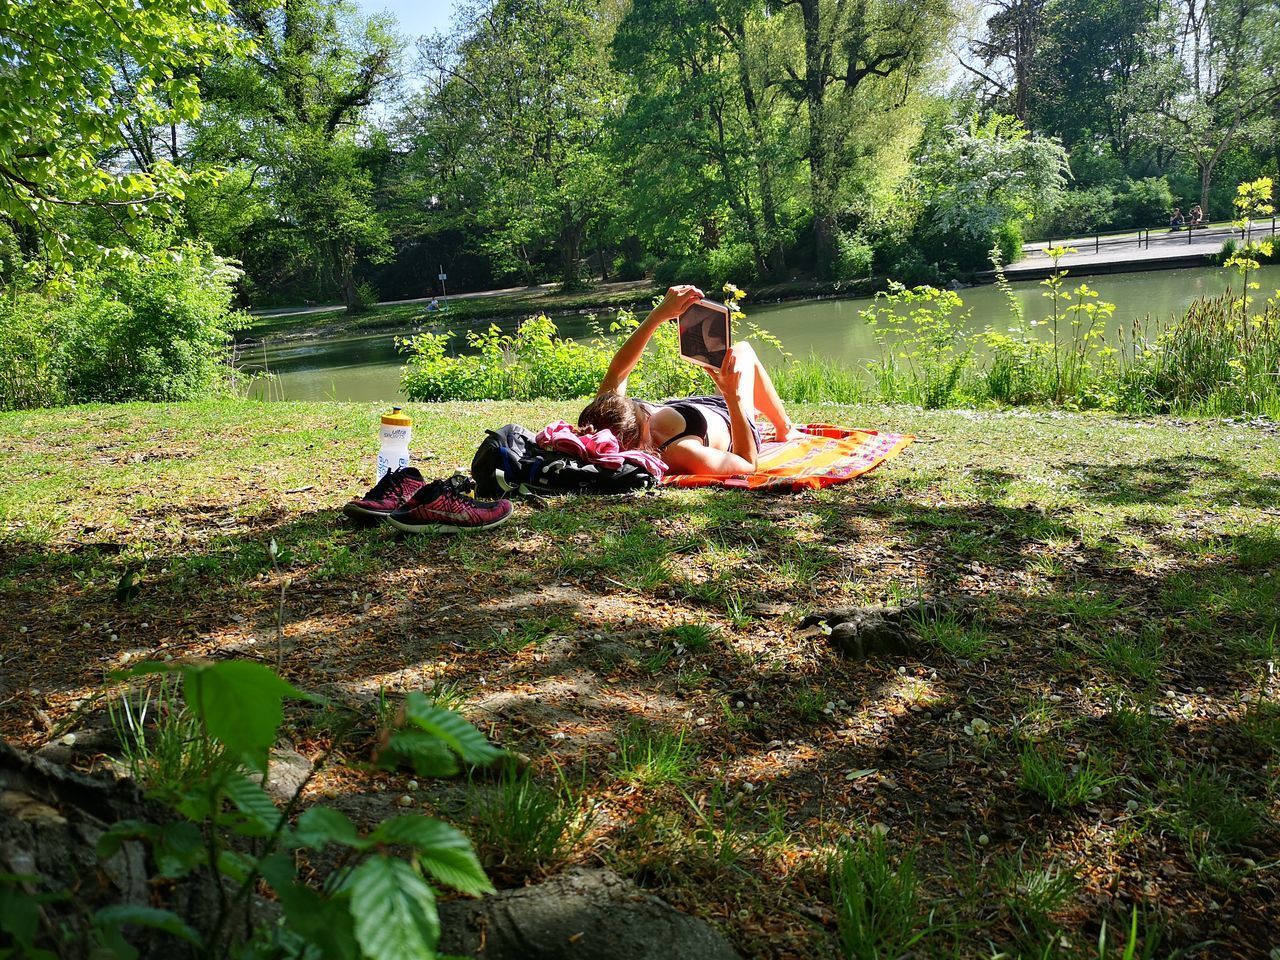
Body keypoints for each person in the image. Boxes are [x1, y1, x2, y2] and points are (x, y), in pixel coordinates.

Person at [578, 285, 804, 477]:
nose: (646, 411)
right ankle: (784, 429)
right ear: (640, 441)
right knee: (742, 352)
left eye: (639, 407)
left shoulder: (603, 420)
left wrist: (659, 314)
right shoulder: (678, 450)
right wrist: (732, 397)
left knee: (730, 359)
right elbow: (746, 463)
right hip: (730, 417)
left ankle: (753, 409)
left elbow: (619, 372)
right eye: (644, 414)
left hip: (700, 407)